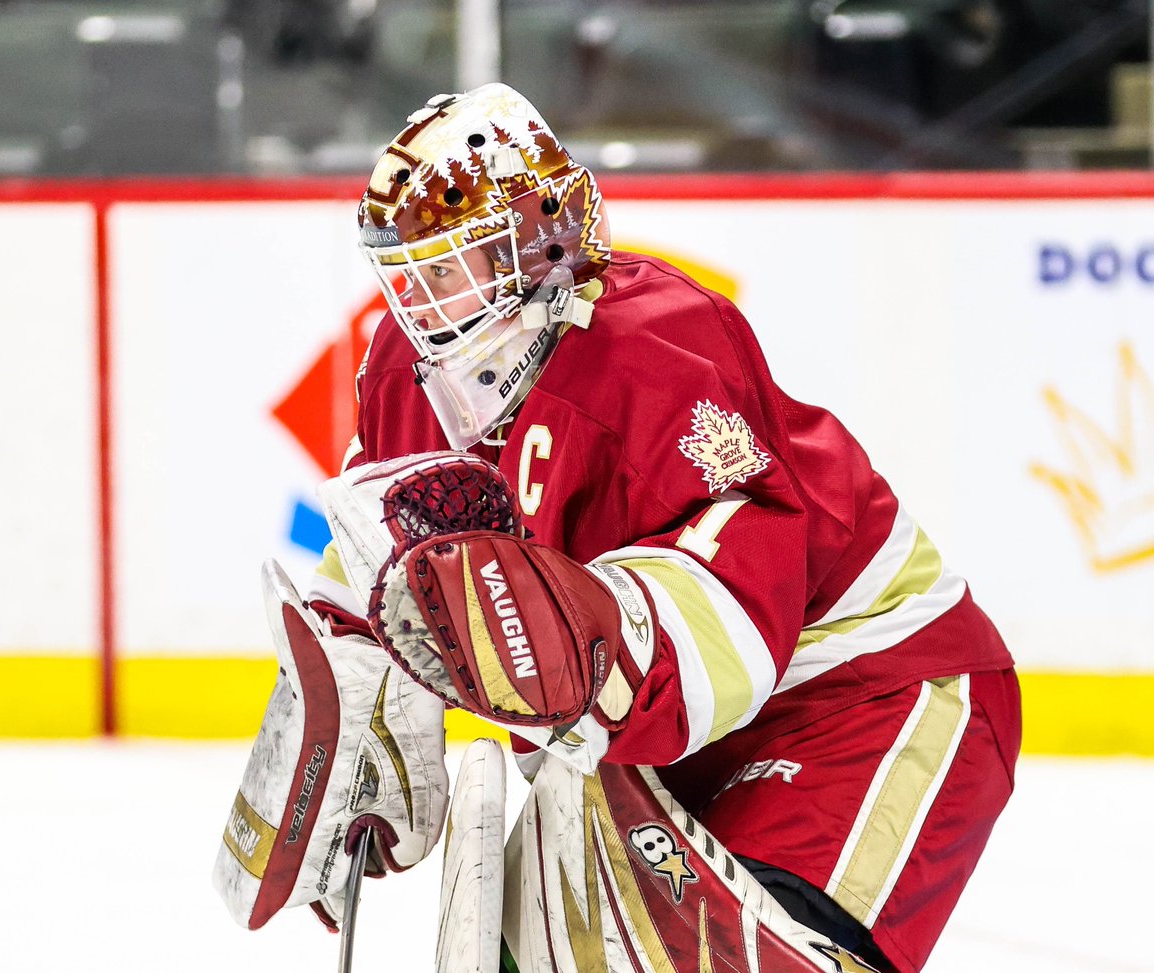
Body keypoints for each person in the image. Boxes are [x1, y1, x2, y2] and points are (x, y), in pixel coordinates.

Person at [215, 83, 1020, 973]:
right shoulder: (405, 372)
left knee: (735, 955)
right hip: (632, 743)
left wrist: (598, 639)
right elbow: (380, 560)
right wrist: (363, 719)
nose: (419, 301)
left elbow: (741, 602)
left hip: (861, 695)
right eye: (407, 274)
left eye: (444, 267)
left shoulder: (659, 346)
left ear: (537, 239)